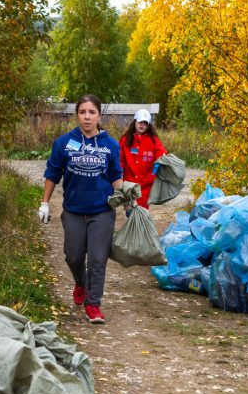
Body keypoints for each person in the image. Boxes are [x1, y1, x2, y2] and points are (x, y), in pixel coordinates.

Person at [38, 94, 123, 324]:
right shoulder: (64, 143)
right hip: (74, 210)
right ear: (77, 115)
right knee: (73, 256)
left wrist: (128, 200)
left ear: (99, 116)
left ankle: (93, 305)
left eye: (92, 112)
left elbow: (115, 176)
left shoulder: (110, 145)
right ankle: (80, 283)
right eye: (83, 112)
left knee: (97, 259)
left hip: (102, 211)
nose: (87, 117)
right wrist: (45, 202)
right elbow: (52, 173)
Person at [119, 109, 167, 208]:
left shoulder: (153, 141)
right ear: (135, 122)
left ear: (148, 125)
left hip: (145, 187)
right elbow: (120, 161)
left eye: (145, 123)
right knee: (130, 212)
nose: (142, 125)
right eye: (140, 122)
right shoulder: (125, 140)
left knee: (142, 212)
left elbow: (161, 156)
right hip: (129, 185)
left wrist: (154, 173)